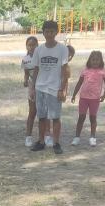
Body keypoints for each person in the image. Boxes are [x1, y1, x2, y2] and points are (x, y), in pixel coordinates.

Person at [29, 21, 70, 154]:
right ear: (43, 33)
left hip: (54, 88)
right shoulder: (39, 49)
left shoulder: (62, 49)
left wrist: (62, 88)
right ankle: (41, 141)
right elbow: (36, 69)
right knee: (41, 117)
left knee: (55, 117)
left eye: (52, 31)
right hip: (40, 88)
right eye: (47, 31)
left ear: (56, 32)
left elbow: (65, 70)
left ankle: (56, 143)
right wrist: (32, 88)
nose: (49, 34)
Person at [70, 50, 105, 147]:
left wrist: (104, 95)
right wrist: (74, 95)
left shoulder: (103, 71)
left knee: (93, 118)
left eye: (97, 60)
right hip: (83, 98)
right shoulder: (85, 70)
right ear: (89, 60)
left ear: (101, 61)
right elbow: (79, 83)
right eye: (93, 60)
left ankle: (92, 137)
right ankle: (77, 137)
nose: (95, 62)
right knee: (81, 117)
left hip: (95, 99)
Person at [22, 36, 39, 147]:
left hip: (43, 85)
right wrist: (25, 81)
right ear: (26, 46)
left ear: (37, 45)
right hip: (32, 86)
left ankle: (47, 135)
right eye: (29, 45)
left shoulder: (41, 57)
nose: (31, 47)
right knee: (32, 112)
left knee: (44, 112)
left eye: (34, 44)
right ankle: (28, 136)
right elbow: (27, 73)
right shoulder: (25, 59)